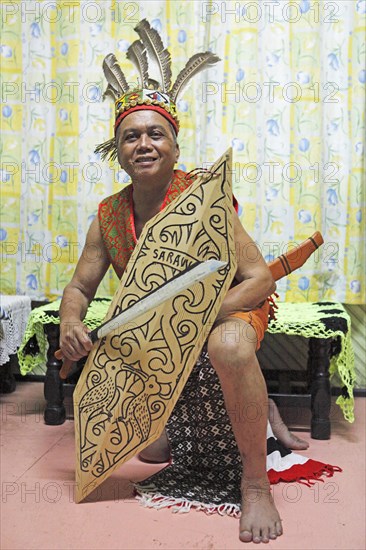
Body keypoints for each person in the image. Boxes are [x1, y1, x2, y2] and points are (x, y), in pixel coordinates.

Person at [59, 19, 307, 544]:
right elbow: (80, 287)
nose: (143, 144)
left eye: (156, 134)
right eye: (131, 136)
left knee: (230, 347)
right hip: (157, 325)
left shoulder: (203, 197)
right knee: (149, 450)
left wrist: (195, 317)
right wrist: (70, 319)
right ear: (117, 150)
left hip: (231, 307)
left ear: (174, 143)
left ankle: (255, 480)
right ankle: (250, 410)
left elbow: (260, 277)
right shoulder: (108, 216)